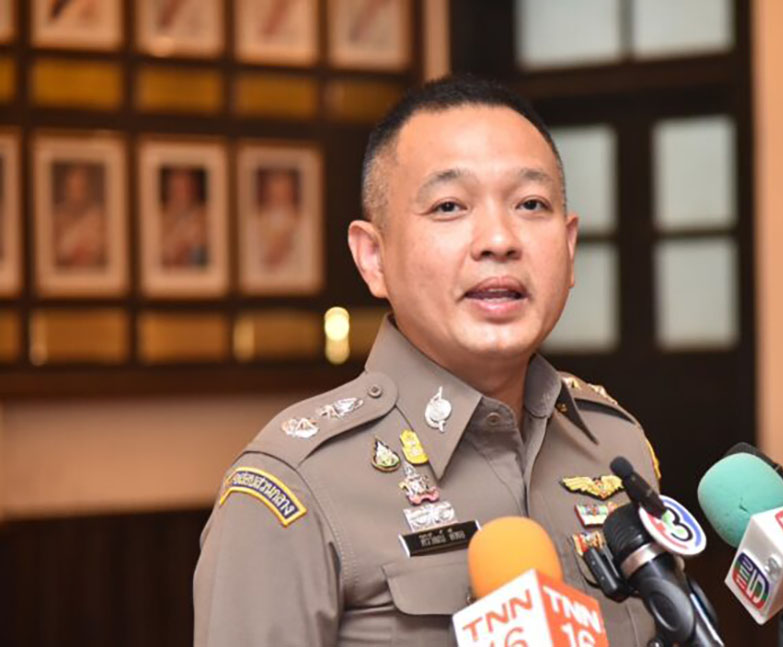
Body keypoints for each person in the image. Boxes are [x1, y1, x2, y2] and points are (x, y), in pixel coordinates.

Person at [194, 75, 661, 645]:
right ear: (373, 257)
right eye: (449, 206)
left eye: (530, 204)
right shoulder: (298, 484)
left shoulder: (612, 444)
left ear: (568, 247)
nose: (498, 239)